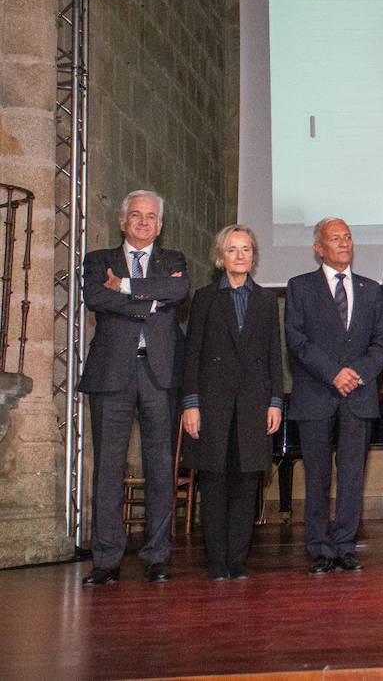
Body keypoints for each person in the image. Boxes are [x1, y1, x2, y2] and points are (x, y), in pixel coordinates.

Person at [79, 190, 188, 585]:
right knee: (109, 467)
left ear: (160, 226)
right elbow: (95, 297)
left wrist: (122, 288)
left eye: (151, 217)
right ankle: (105, 559)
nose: (143, 222)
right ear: (123, 222)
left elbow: (177, 291)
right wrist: (150, 301)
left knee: (161, 467)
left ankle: (156, 556)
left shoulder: (173, 261)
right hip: (111, 374)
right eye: (136, 215)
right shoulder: (98, 260)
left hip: (159, 373)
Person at [284, 218, 383, 574]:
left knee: (351, 476)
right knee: (316, 476)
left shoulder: (372, 290)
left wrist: (356, 373)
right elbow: (297, 340)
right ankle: (320, 549)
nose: (344, 243)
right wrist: (333, 373)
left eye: (348, 237)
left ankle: (345, 546)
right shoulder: (299, 287)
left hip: (358, 397)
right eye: (335, 238)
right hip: (315, 394)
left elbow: (381, 342)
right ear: (319, 248)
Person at [181, 225, 284, 580]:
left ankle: (237, 561)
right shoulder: (205, 298)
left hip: (255, 406)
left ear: (253, 256)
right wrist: (190, 404)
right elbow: (192, 353)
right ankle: (217, 562)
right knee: (214, 483)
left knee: (245, 484)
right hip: (212, 406)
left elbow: (274, 355)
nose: (240, 255)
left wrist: (275, 402)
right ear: (219, 257)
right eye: (232, 250)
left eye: (246, 249)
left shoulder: (267, 301)